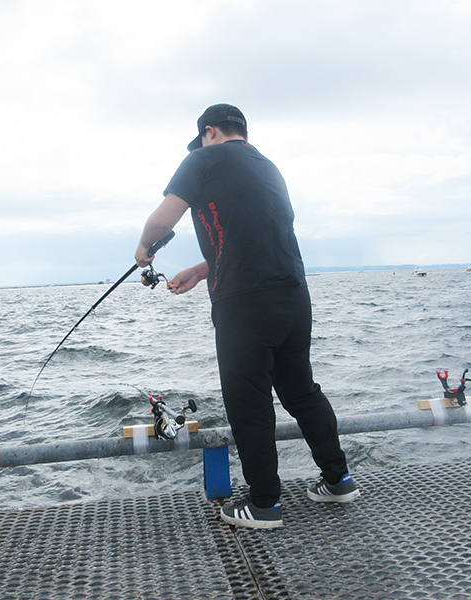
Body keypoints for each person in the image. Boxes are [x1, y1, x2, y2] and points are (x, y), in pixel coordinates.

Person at [135, 104, 359, 528]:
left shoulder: (202, 158)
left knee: (248, 404)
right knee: (302, 392)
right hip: (293, 294)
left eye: (203, 138)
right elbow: (257, 234)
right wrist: (203, 270)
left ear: (209, 131)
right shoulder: (268, 166)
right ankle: (339, 480)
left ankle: (264, 504)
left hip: (244, 304)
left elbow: (164, 218)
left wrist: (143, 247)